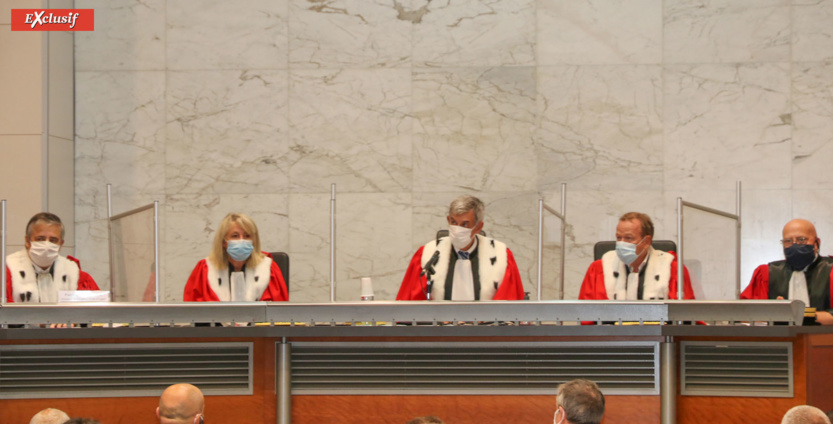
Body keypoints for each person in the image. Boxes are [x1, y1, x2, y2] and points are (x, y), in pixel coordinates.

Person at [396, 195, 524, 301]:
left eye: (465, 224)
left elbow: (509, 306)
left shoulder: (500, 255)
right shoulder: (428, 254)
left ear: (478, 227)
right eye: (454, 222)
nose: (457, 229)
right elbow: (410, 307)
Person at [579, 212, 695, 301]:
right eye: (619, 238)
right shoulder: (599, 268)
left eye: (628, 238)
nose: (621, 243)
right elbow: (585, 315)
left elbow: (686, 316)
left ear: (646, 241)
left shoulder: (672, 269)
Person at [742, 219, 833, 325]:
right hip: (780, 339)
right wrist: (774, 311)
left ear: (817, 243)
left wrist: (800, 315)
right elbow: (744, 316)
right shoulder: (767, 273)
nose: (795, 245)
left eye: (802, 239)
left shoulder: (830, 270)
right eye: (788, 241)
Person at [184, 213, 288, 301]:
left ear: (254, 240)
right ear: (224, 241)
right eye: (235, 236)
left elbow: (279, 313)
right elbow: (193, 312)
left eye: (247, 236)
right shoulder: (205, 269)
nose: (241, 240)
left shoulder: (268, 268)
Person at [6, 213, 99, 303]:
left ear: (61, 244)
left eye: (53, 240)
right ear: (27, 241)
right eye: (40, 239)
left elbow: (93, 314)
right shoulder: (7, 272)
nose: (47, 245)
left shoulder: (75, 275)